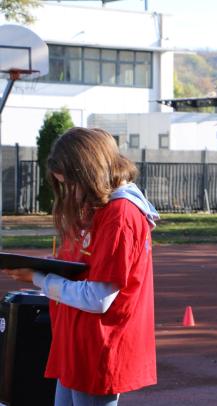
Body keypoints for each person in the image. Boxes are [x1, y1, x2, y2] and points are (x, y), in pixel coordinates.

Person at [3, 127, 159, 405]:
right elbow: (86, 266)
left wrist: (39, 278)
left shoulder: (120, 214)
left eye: (72, 183)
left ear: (88, 172)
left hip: (97, 348)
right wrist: (49, 267)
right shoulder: (102, 206)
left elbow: (98, 298)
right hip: (77, 345)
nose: (71, 193)